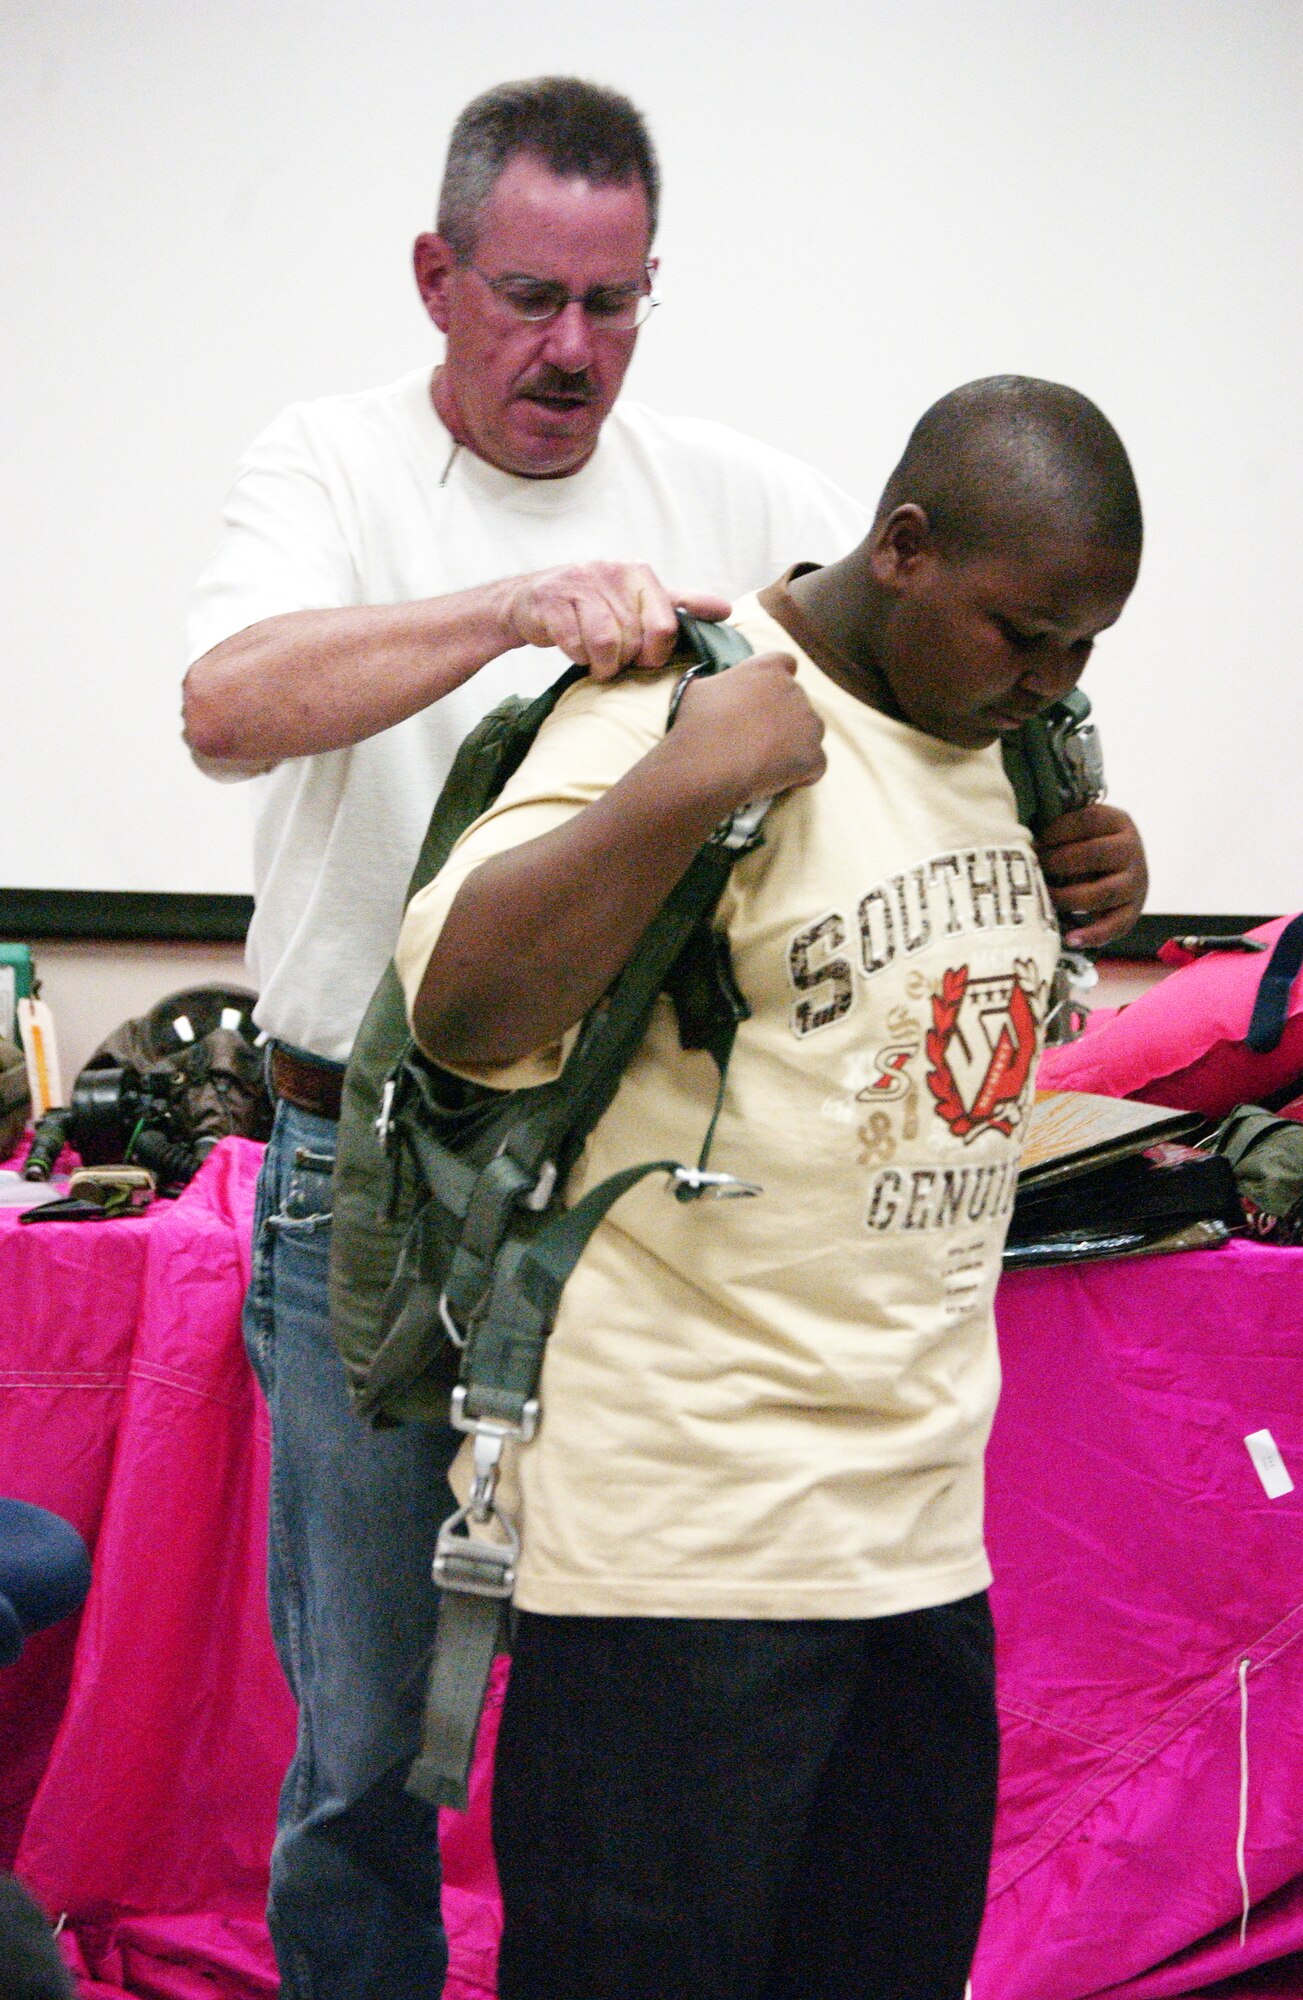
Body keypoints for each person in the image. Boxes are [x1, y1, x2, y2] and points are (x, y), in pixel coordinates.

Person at [182, 72, 1147, 2000]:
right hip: (367, 1153)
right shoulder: (332, 463)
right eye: (534, 296)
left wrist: (1072, 835)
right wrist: (514, 612)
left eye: (614, 303)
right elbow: (224, 706)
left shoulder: (757, 495)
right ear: (439, 278)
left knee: (712, 1818)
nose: (575, 348)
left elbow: (909, 689)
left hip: (657, 1211)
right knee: (376, 1742)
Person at [396, 375, 1144, 2000]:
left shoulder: (1012, 744)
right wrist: (678, 786)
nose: (1054, 678)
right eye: (1027, 632)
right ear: (907, 547)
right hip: (683, 1549)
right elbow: (461, 1012)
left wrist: (1095, 867)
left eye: (1088, 645)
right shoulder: (678, 703)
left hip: (920, 1542)